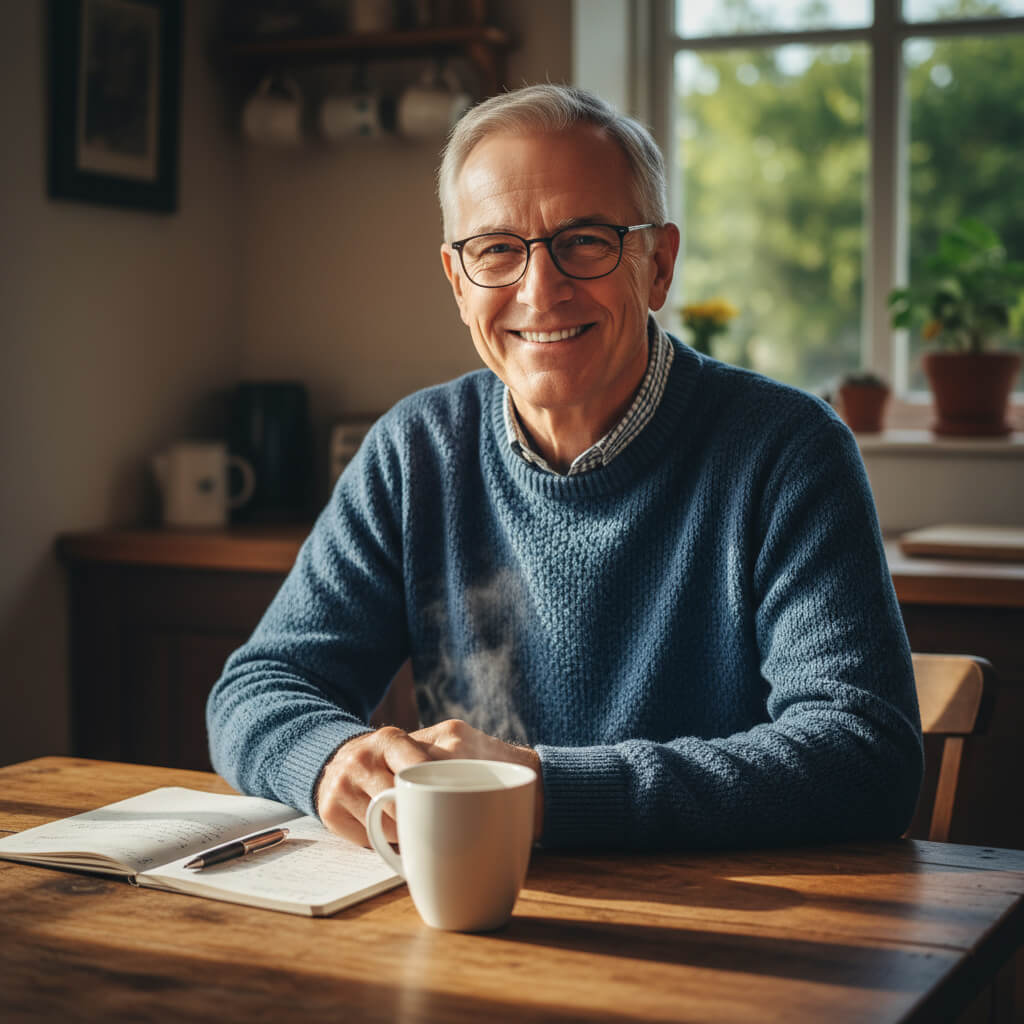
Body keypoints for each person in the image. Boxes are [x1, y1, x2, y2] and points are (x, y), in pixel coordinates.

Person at [207, 84, 923, 852]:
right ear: (458, 282)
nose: (540, 290)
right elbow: (256, 689)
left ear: (659, 264)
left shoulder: (787, 450)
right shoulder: (415, 452)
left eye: (584, 240)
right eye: (496, 249)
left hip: (724, 911)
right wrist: (330, 762)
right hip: (473, 907)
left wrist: (547, 792)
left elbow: (865, 757)